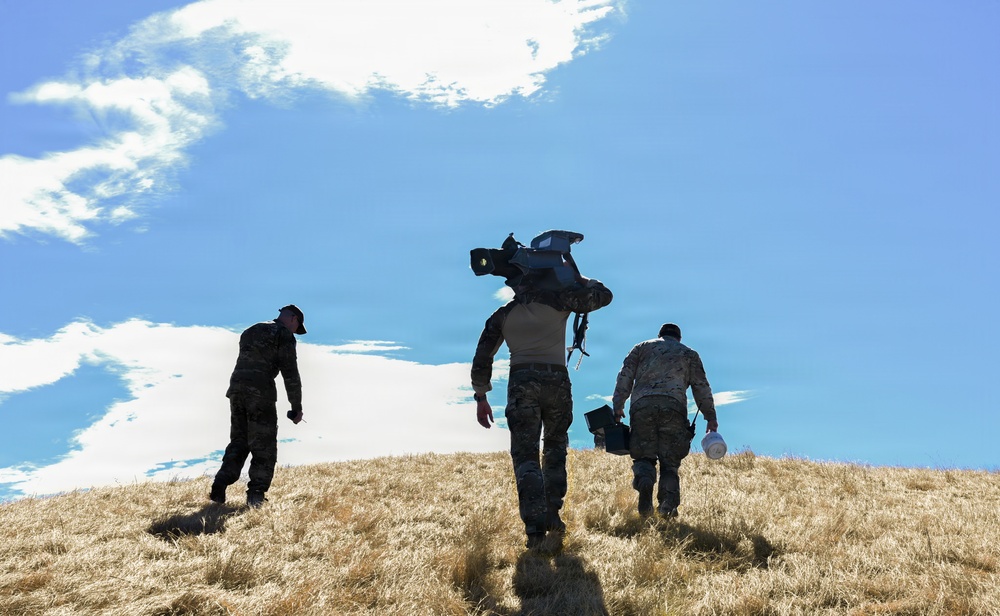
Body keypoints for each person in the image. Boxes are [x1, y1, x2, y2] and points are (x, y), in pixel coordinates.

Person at [472, 276, 612, 548]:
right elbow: (603, 295)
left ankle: (534, 528)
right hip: (557, 381)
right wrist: (579, 278)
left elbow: (482, 358)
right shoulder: (560, 302)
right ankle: (553, 516)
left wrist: (481, 396)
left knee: (526, 455)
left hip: (523, 382)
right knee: (556, 448)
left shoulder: (502, 315)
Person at [612, 323, 718, 518]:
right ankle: (667, 508)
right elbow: (701, 386)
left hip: (642, 407)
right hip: (674, 408)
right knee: (669, 462)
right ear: (678, 338)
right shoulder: (689, 354)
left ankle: (645, 481)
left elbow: (624, 376)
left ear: (659, 335)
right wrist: (710, 416)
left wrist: (618, 405)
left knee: (644, 456)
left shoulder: (641, 348)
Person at [210, 305, 307, 508]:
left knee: (239, 441)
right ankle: (256, 494)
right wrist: (296, 406)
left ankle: (220, 484)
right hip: (260, 393)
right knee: (264, 444)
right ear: (293, 319)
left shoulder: (251, 330)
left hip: (236, 390)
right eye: (297, 326)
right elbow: (290, 373)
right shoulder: (283, 334)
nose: (295, 331)